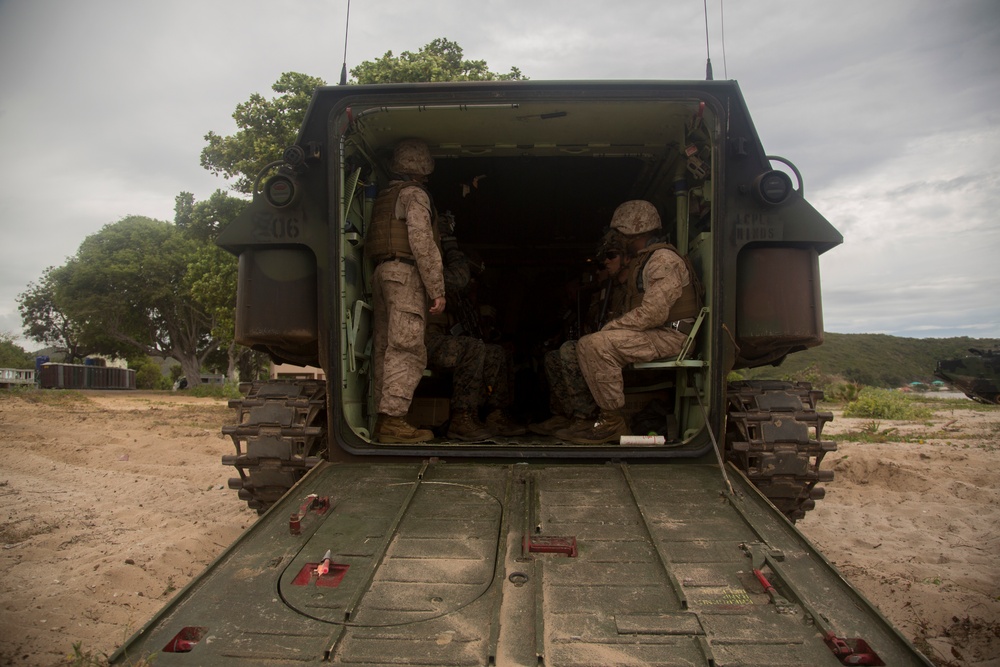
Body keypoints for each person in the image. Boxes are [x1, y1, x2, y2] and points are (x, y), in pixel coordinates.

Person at [557, 200, 700, 445]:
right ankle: (594, 419)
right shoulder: (645, 260)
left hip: (672, 337)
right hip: (659, 333)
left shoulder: (662, 259)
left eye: (620, 233)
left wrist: (613, 327)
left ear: (635, 231)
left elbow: (653, 313)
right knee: (588, 343)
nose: (616, 238)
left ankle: (612, 423)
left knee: (597, 344)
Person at [366, 139, 446, 443]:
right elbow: (422, 241)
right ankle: (394, 421)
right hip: (406, 276)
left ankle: (382, 419)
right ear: (423, 167)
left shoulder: (386, 194)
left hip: (383, 274)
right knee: (408, 348)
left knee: (386, 349)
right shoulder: (414, 194)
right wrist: (436, 288)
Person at [426, 219, 525, 439]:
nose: (472, 283)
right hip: (426, 341)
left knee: (495, 351)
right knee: (473, 348)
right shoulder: (434, 272)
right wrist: (452, 247)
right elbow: (457, 280)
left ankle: (496, 414)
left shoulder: (462, 295)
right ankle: (462, 417)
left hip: (444, 341)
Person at [529, 230, 630, 436]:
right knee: (553, 357)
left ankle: (586, 417)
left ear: (627, 258)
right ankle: (566, 415)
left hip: (618, 348)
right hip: (602, 346)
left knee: (568, 350)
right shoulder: (602, 293)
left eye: (609, 258)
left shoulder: (628, 288)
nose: (605, 265)